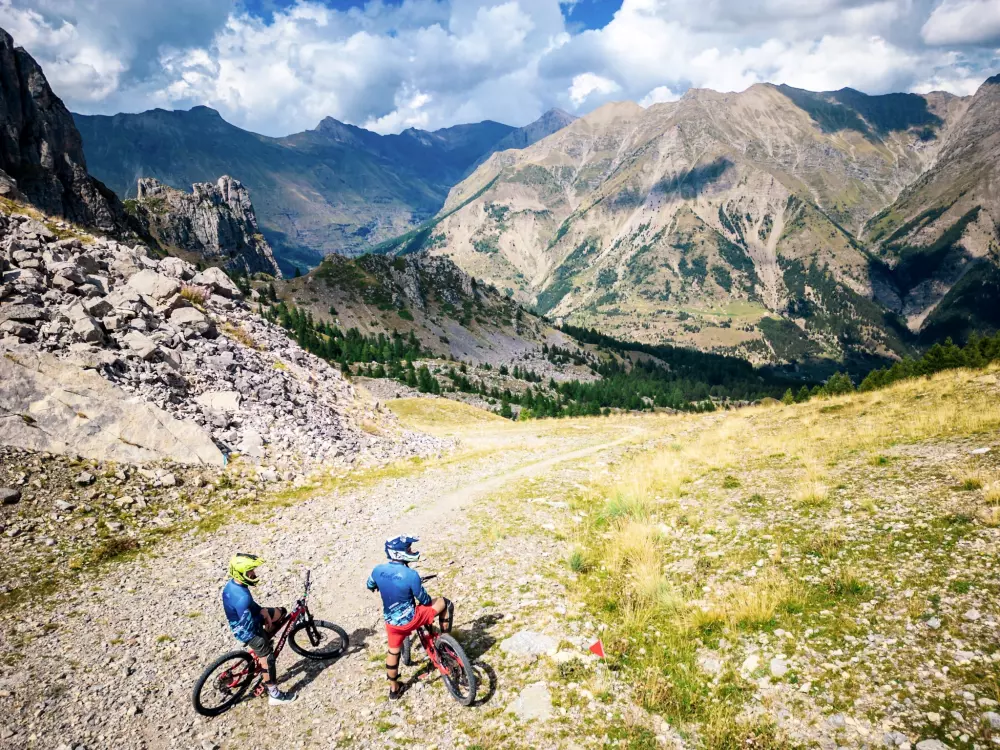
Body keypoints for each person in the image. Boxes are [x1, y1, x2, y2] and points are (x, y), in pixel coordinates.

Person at [366, 535, 452, 700]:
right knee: (443, 603)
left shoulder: (377, 570)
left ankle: (394, 689)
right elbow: (425, 600)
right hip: (413, 619)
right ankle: (447, 641)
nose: (411, 551)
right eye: (408, 549)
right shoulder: (411, 574)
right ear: (399, 554)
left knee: (393, 652)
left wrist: (378, 586)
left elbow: (369, 585)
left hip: (392, 624)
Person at [221, 553, 297, 705]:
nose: (254, 574)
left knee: (280, 612)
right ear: (241, 573)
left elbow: (251, 606)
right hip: (246, 630)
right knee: (268, 659)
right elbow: (248, 625)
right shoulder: (242, 597)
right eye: (250, 572)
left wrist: (263, 611)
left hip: (248, 615)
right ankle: (274, 695)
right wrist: (263, 617)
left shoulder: (234, 585)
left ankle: (265, 641)